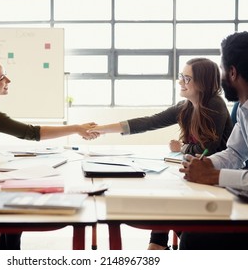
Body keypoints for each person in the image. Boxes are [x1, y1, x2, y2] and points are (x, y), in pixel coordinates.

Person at [0, 59, 98, 249]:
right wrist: (76, 128)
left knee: (11, 215)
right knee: (12, 213)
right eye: (2, 77)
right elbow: (31, 132)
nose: (8, 80)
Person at [89, 57, 233, 249]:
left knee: (170, 203)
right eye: (181, 76)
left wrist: (181, 148)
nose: (181, 81)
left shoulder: (214, 104)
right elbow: (149, 122)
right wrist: (101, 129)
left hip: (215, 180)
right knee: (166, 198)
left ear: (203, 82)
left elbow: (206, 150)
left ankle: (159, 246)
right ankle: (158, 245)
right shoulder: (187, 106)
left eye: (187, 78)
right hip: (196, 178)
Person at [180, 31, 248, 250]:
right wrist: (207, 164)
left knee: (196, 237)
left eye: (222, 68)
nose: (221, 75)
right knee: (193, 223)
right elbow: (235, 153)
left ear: (232, 72)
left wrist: (215, 175)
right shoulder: (246, 107)